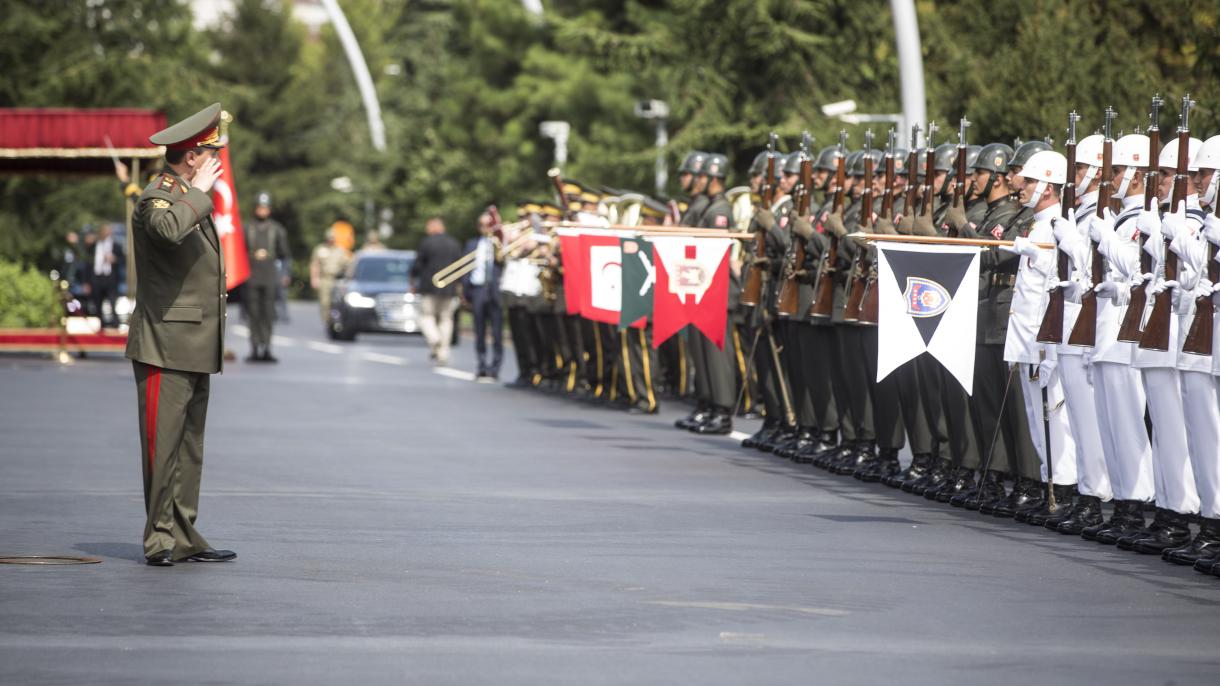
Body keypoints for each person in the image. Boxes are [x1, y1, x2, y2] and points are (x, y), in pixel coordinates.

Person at [124, 102, 236, 567]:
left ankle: (185, 533)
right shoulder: (159, 197)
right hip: (164, 343)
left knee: (189, 448)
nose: (216, 161)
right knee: (162, 446)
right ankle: (159, 539)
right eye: (210, 153)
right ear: (192, 157)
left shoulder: (187, 193)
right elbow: (168, 232)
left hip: (193, 341)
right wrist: (201, 193)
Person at [244, 191, 291, 362]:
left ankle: (267, 348)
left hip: (270, 276)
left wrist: (285, 274)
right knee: (253, 314)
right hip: (251, 277)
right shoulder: (247, 228)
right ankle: (255, 347)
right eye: (260, 207)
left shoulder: (277, 229)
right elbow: (238, 253)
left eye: (265, 207)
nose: (262, 210)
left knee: (269, 314)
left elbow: (285, 255)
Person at [410, 216, 464, 365]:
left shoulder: (427, 243)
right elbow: (460, 267)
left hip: (429, 287)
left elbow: (417, 265)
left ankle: (435, 339)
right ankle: (443, 352)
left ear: (434, 227)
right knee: (446, 319)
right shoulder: (454, 243)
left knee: (426, 317)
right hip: (449, 288)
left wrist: (413, 280)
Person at [463, 210, 504, 380]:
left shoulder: (500, 244)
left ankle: (495, 367)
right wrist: (466, 292)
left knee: (497, 332)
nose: (485, 228)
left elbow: (504, 263)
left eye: (488, 225)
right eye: (482, 225)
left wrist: (499, 238)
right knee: (479, 331)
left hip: (495, 290)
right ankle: (481, 364)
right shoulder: (472, 244)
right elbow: (466, 269)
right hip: (478, 289)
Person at [310, 226, 350, 327]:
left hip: (337, 280)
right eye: (329, 238)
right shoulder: (320, 249)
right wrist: (314, 279)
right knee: (325, 302)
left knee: (337, 302)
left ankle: (336, 321)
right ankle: (327, 322)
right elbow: (315, 265)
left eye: (332, 238)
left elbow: (347, 265)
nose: (331, 240)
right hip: (325, 279)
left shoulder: (340, 250)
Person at [88, 224, 124, 327]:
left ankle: (115, 326)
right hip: (96, 278)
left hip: (110, 279)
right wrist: (87, 281)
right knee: (97, 304)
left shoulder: (116, 246)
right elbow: (88, 264)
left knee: (113, 303)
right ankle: (101, 326)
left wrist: (114, 259)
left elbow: (122, 260)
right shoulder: (93, 245)